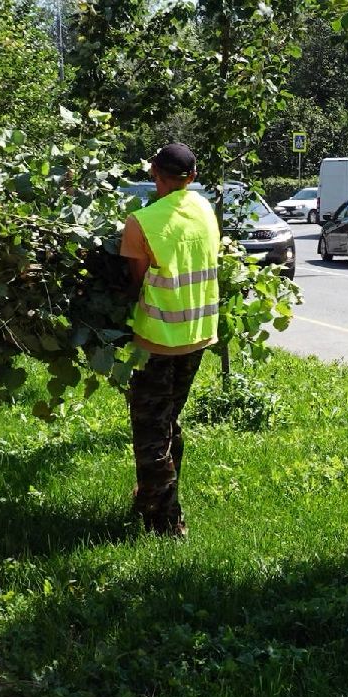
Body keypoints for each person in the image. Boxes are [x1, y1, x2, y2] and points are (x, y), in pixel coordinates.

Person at [119, 143, 220, 536]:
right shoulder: (206, 210)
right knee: (168, 420)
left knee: (151, 432)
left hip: (157, 340)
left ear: (153, 174)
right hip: (198, 335)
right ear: (192, 177)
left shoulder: (141, 222)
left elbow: (136, 283)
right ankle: (151, 496)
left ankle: (166, 523)